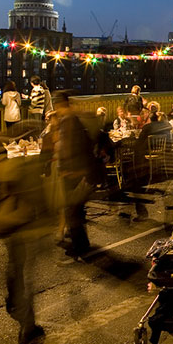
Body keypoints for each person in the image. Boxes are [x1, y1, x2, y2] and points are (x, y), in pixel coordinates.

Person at [55, 90, 95, 259]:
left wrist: (64, 168)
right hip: (81, 169)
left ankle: (80, 246)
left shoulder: (67, 121)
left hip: (72, 171)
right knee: (77, 208)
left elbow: (66, 147)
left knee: (72, 209)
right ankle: (81, 241)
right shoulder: (76, 119)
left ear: (59, 105)